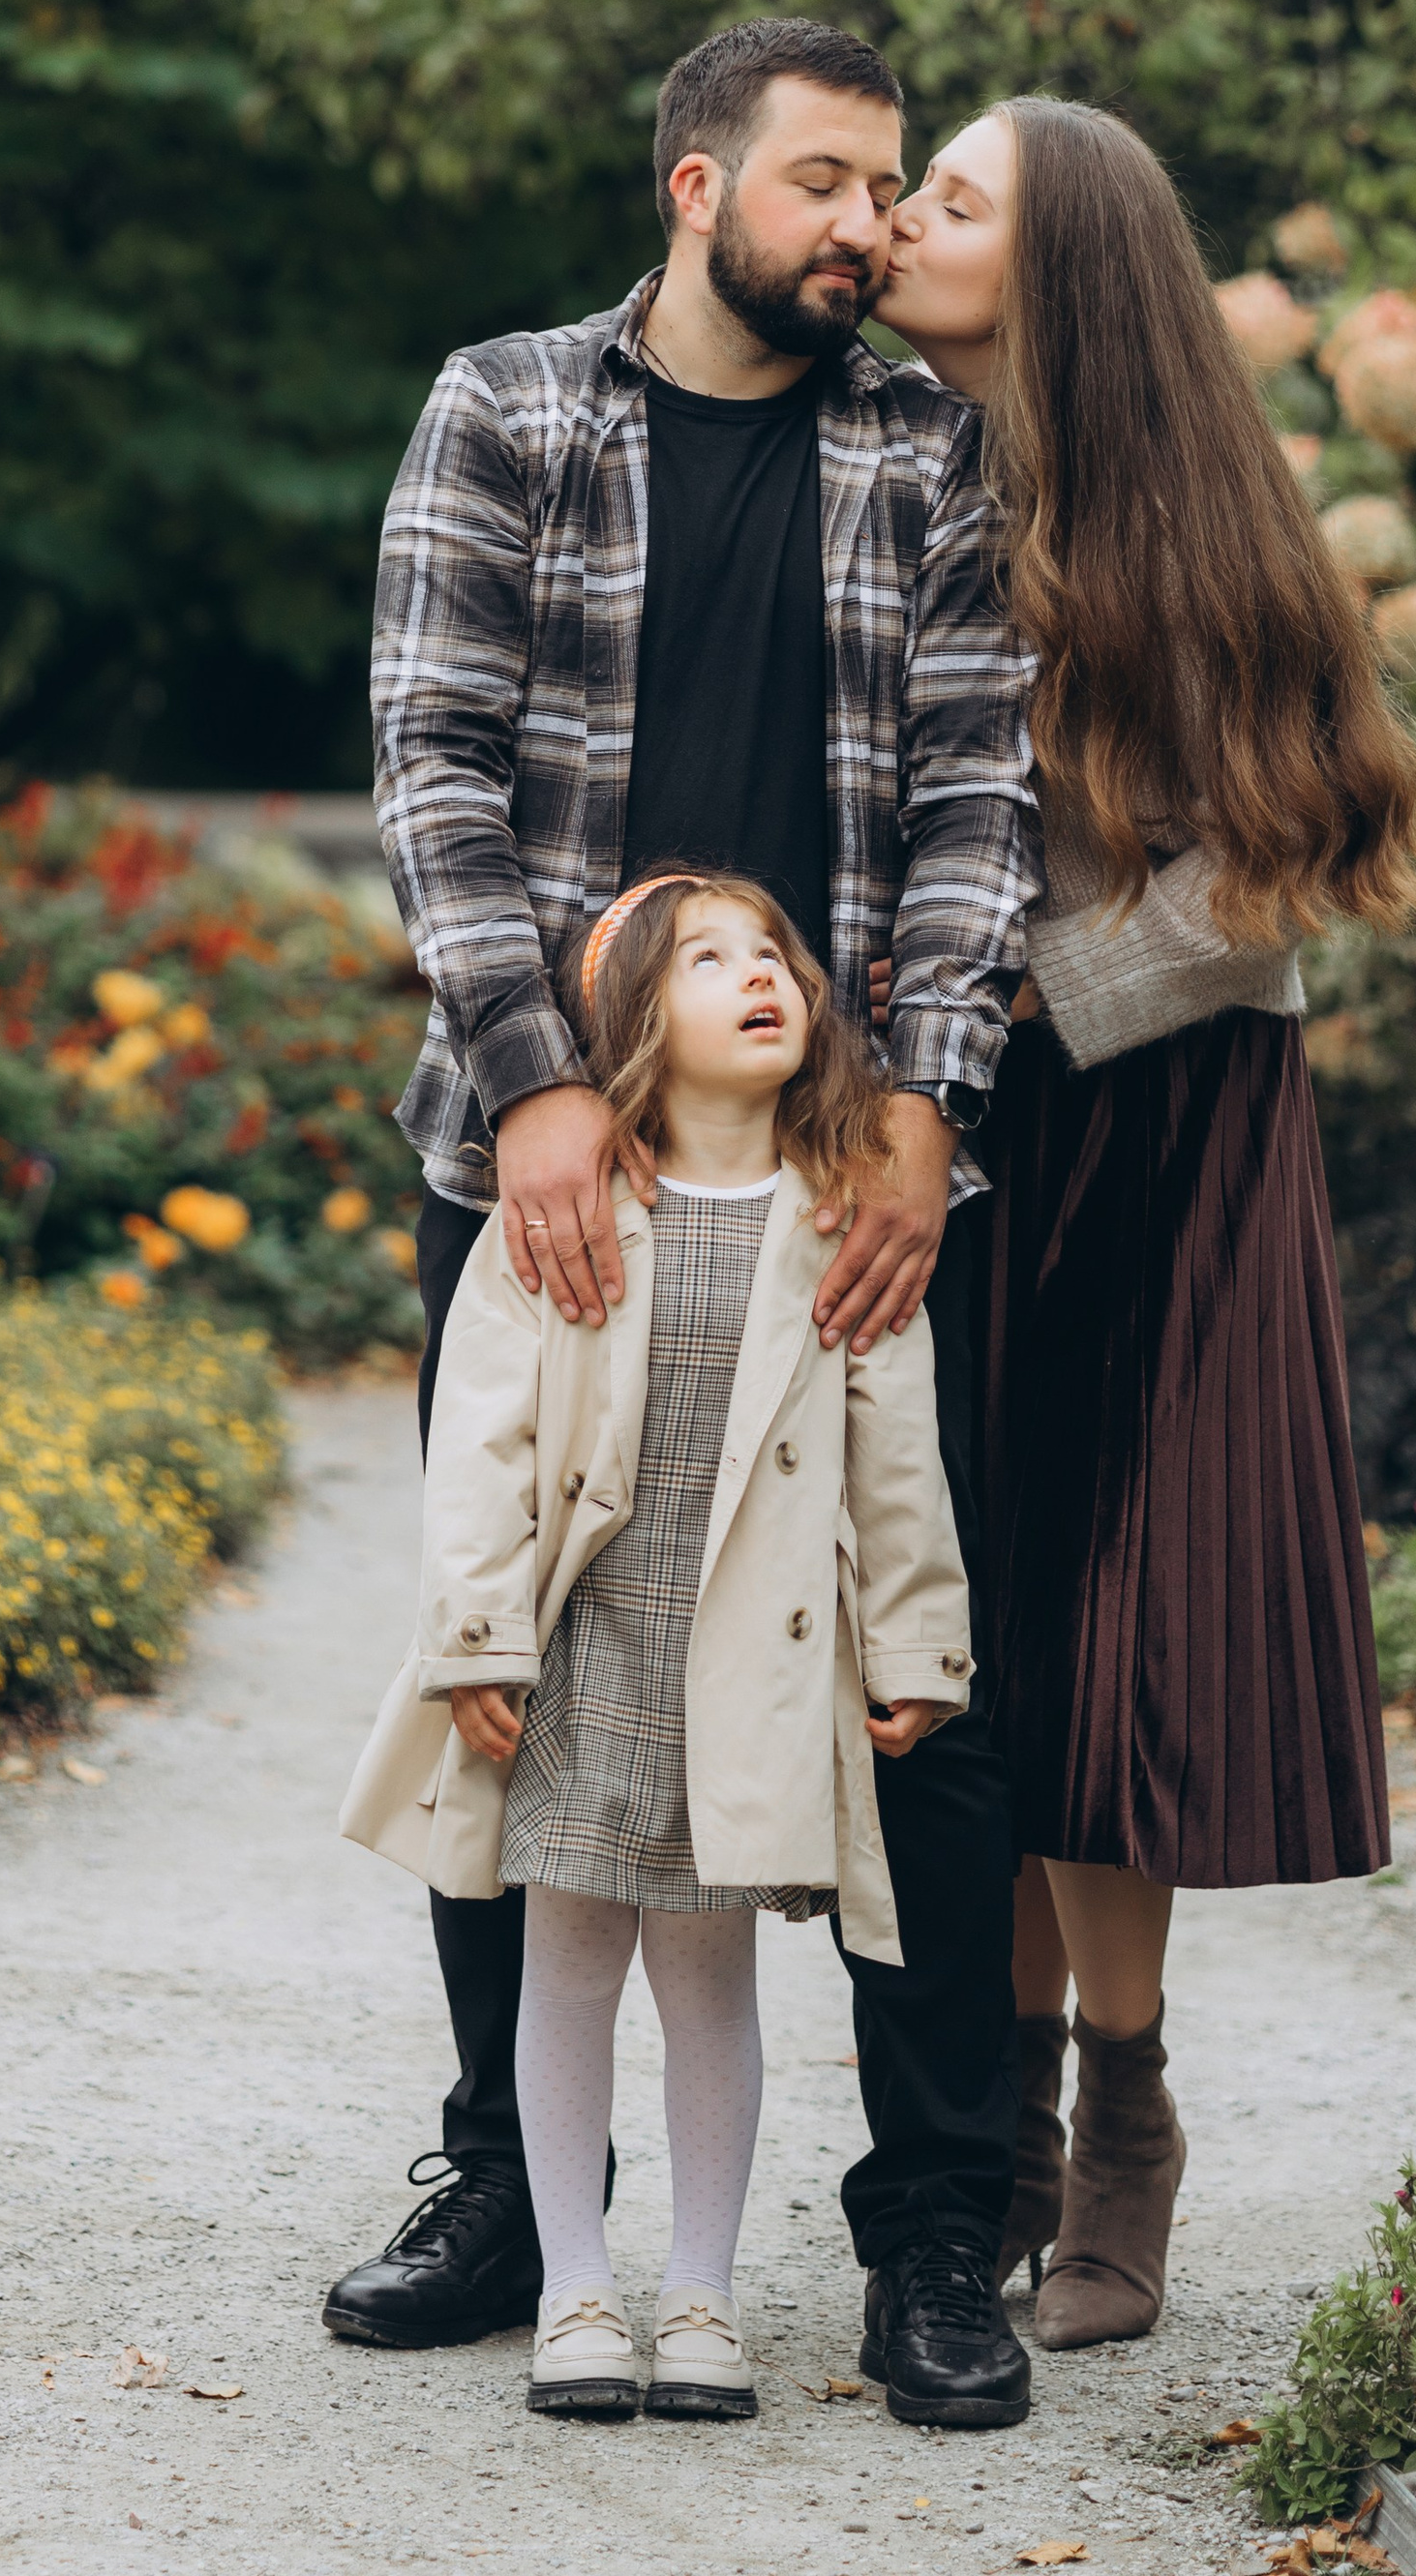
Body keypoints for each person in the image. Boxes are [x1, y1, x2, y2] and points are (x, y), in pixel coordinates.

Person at [327, 16, 1039, 2429]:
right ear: (695, 183)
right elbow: (429, 754)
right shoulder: (508, 408)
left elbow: (970, 789)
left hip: (832, 1164)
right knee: (504, 1647)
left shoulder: (923, 452)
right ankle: (510, 2189)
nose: (867, 229)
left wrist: (923, 1099)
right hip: (532, 1155)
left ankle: (944, 2226)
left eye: (891, 188)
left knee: (911, 1704)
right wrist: (534, 1079)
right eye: (827, 183)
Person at [874, 96, 1416, 2348]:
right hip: (957, 1135)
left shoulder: (1190, 531)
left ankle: (1121, 2114)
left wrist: (1030, 986)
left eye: (949, 197)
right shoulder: (902, 477)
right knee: (991, 1644)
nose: (907, 220)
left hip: (1166, 1135)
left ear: (1065, 266)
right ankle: (997, 2119)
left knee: (1116, 1645)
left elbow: (1269, 875)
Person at [342, 873, 971, 2424]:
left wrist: (918, 1645)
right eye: (709, 961)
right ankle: (573, 2286)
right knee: (565, 1963)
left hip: (748, 1663)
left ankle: (702, 2293)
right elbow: (481, 1439)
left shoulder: (841, 1226)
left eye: (777, 958)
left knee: (709, 1973)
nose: (763, 978)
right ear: (632, 1025)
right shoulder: (558, 1219)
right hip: (587, 1652)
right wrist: (476, 1635)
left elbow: (897, 1459)